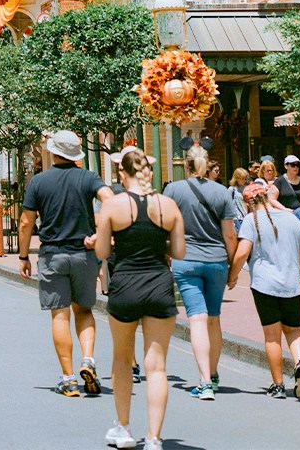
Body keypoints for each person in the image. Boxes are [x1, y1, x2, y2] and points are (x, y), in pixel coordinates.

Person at [96, 148, 184, 450]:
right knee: (156, 365)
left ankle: (123, 429)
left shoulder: (113, 205)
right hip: (159, 284)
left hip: (125, 285)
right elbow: (180, 252)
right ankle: (154, 438)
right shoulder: (168, 205)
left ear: (123, 173)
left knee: (122, 359)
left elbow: (103, 253)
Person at [19, 129, 115, 398]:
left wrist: (24, 256)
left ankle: (69, 378)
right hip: (83, 254)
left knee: (60, 314)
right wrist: (100, 234)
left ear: (52, 151)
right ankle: (88, 360)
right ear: (76, 154)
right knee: (84, 311)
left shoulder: (39, 182)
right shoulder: (88, 177)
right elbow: (111, 199)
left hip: (53, 254)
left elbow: (26, 222)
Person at [163, 145, 237, 401]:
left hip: (186, 260)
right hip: (217, 260)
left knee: (196, 319)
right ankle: (213, 375)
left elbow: (166, 225)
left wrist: (168, 253)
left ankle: (204, 381)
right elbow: (229, 234)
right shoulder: (222, 192)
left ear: (186, 166)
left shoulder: (173, 190)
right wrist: (232, 268)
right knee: (214, 319)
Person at [228, 182, 300, 400]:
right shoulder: (292, 219)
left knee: (272, 336)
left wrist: (232, 276)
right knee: (294, 330)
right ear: (267, 197)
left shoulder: (251, 220)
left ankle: (277, 385)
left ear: (248, 203)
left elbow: (242, 253)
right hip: (291, 285)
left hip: (264, 285)